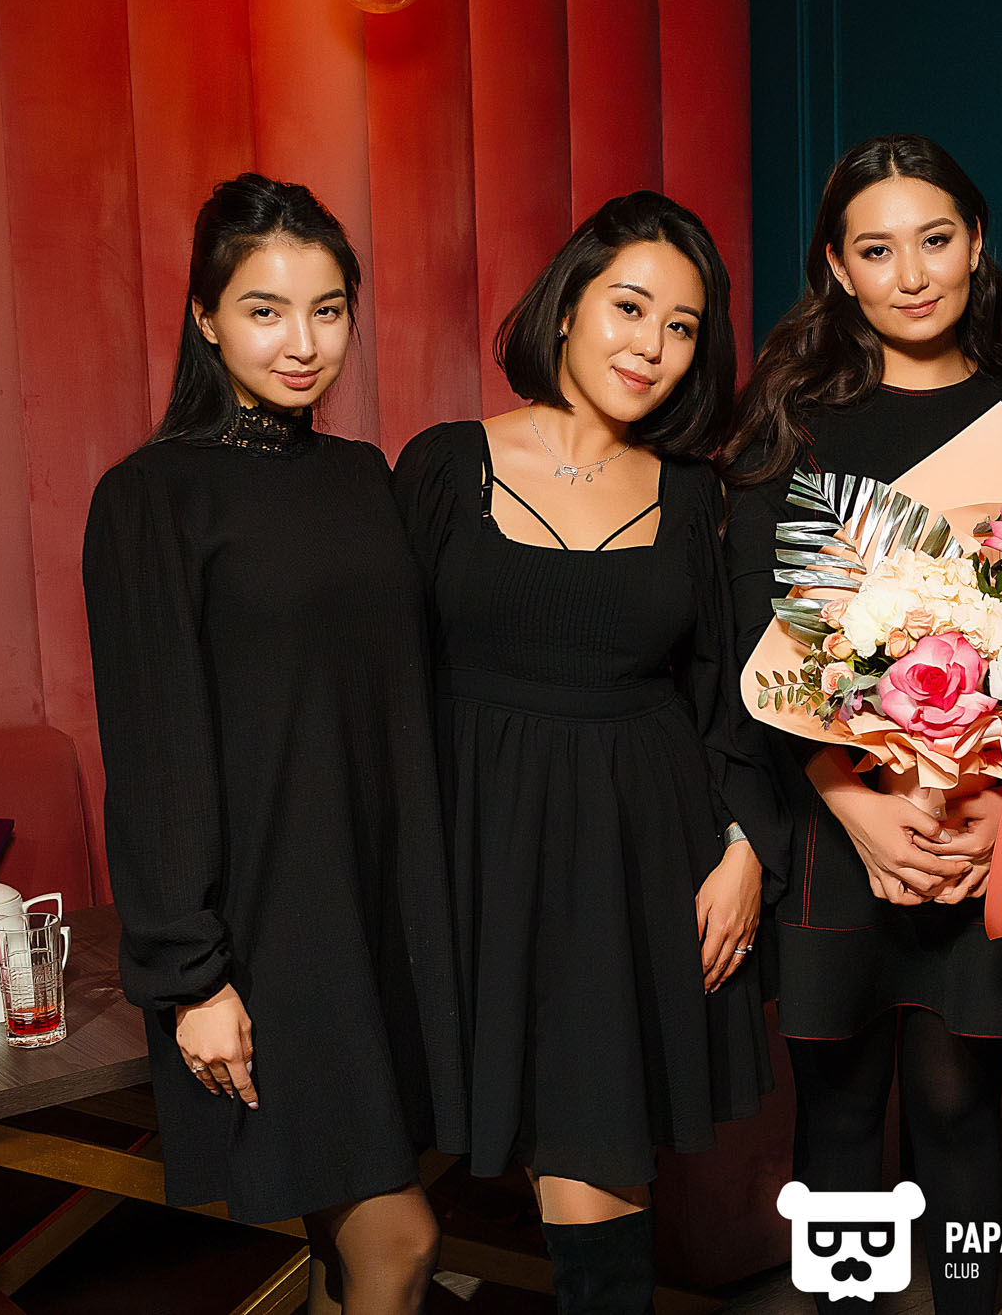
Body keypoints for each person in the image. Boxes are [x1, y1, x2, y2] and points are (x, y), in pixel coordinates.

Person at [391, 190, 780, 1313]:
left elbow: (729, 691)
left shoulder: (696, 494)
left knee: (598, 1193)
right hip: (473, 850)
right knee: (386, 1186)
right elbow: (381, 685)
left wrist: (745, 848)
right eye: (629, 307)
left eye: (682, 325)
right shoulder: (441, 466)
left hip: (631, 863)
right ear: (566, 306)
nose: (651, 345)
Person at [83, 173, 465, 1311]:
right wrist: (191, 975)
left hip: (377, 915)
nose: (303, 344)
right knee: (398, 1240)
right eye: (265, 309)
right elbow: (150, 753)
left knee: (350, 1244)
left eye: (328, 310)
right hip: (263, 938)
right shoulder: (150, 497)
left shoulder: (364, 478)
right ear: (205, 316)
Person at [725, 133, 1002, 1314]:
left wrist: (982, 810)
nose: (912, 274)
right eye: (876, 251)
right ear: (836, 267)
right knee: (835, 1116)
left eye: (934, 240)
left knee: (957, 1107)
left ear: (975, 246)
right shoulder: (792, 420)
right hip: (836, 821)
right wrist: (855, 806)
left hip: (976, 821)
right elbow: (756, 636)